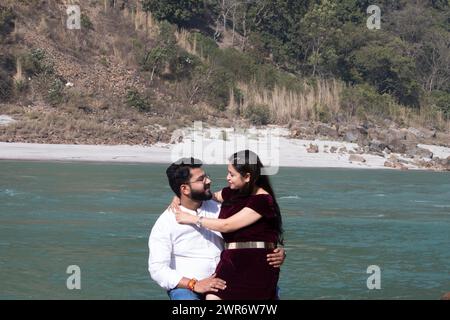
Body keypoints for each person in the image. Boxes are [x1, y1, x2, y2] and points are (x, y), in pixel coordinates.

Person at [148, 157, 285, 300]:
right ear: (184, 189)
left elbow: (256, 230)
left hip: (232, 279)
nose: (209, 181)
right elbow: (158, 270)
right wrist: (194, 284)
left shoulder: (221, 208)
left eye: (207, 176)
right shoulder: (166, 223)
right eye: (201, 179)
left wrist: (275, 249)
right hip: (189, 289)